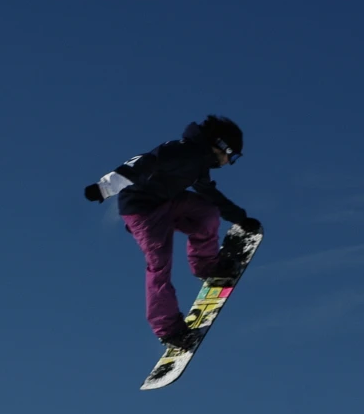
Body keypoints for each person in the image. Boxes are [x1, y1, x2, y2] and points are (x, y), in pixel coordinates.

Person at [84, 115, 260, 350]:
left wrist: (239, 217)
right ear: (221, 146)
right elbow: (143, 162)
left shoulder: (200, 164)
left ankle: (207, 265)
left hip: (168, 202)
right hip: (142, 212)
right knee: (159, 265)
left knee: (207, 213)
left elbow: (209, 193)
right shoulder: (181, 151)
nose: (229, 162)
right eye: (232, 155)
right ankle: (168, 330)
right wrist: (104, 187)